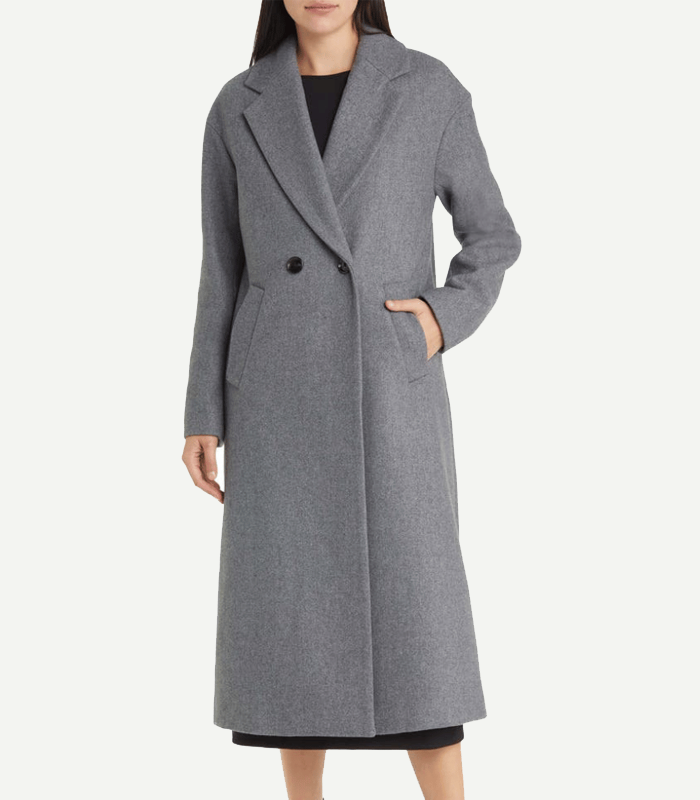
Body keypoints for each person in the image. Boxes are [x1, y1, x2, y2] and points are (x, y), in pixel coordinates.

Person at [182, 1, 522, 798]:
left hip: (388, 385)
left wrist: (438, 320)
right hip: (277, 395)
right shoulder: (239, 104)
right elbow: (220, 269)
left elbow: (493, 236)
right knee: (294, 633)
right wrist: (202, 410)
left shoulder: (426, 88)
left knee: (420, 630)